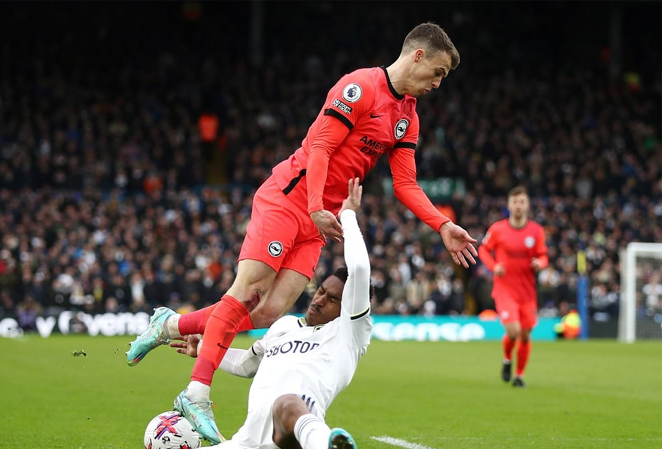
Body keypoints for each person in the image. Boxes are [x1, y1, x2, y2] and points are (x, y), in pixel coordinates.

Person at [127, 22, 478, 443]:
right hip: (290, 199)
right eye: (438, 72)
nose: (438, 83)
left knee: (267, 312)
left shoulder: (407, 118)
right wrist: (314, 207)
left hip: (320, 220)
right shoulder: (360, 86)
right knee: (248, 290)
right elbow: (320, 149)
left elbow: (405, 184)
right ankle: (196, 392)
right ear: (418, 55)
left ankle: (170, 325)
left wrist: (442, 224)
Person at [171, 178, 370, 449]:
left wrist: (347, 214)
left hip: (292, 437)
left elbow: (359, 270)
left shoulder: (349, 333)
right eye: (321, 291)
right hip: (246, 441)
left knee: (288, 403)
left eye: (333, 299)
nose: (320, 300)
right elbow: (246, 365)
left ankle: (326, 444)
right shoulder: (284, 325)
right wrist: (205, 346)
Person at [478, 186, 548, 387]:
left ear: (527, 205)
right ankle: (507, 358)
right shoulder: (498, 229)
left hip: (527, 291)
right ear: (509, 205)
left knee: (525, 335)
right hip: (504, 290)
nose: (518, 206)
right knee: (514, 331)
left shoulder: (536, 231)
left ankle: (519, 375)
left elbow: (543, 255)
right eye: (515, 202)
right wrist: (494, 266)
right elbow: (483, 250)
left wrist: (540, 264)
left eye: (522, 202)